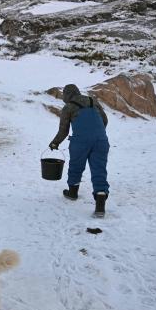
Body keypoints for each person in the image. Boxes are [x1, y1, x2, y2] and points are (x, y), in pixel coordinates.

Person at [48, 84, 110, 217]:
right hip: (101, 141)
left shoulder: (68, 107)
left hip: (81, 141)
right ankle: (100, 207)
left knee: (76, 166)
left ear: (67, 95)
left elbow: (63, 131)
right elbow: (104, 120)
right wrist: (97, 133)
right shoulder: (93, 101)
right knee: (99, 170)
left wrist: (54, 143)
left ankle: (72, 193)